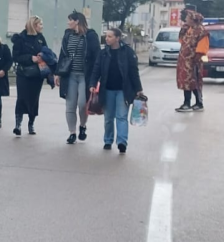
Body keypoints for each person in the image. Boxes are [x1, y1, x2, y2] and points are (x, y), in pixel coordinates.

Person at [90, 27, 144, 153]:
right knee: (108, 117)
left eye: (110, 36)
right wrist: (92, 83)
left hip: (123, 90)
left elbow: (133, 71)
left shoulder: (128, 52)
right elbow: (96, 69)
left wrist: (138, 89)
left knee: (121, 116)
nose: (107, 38)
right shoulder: (103, 53)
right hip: (107, 89)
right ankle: (108, 140)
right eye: (106, 36)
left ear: (117, 38)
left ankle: (122, 142)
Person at [57, 11, 101, 144]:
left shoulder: (91, 36)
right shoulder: (67, 35)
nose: (68, 22)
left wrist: (96, 77)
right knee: (70, 105)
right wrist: (57, 73)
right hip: (70, 75)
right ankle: (72, 133)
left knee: (82, 104)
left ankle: (82, 126)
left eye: (70, 20)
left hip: (84, 76)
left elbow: (97, 57)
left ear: (77, 21)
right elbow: (62, 54)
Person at [11, 16, 49, 136]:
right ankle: (18, 124)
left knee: (34, 99)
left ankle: (31, 123)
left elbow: (47, 52)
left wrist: (42, 56)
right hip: (24, 73)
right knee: (21, 98)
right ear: (34, 25)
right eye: (40, 24)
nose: (42, 26)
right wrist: (30, 58)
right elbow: (16, 56)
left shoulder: (41, 38)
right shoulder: (20, 38)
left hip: (37, 74)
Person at [176, 9, 207, 112]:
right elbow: (181, 41)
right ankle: (187, 102)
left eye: (187, 18)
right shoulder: (188, 29)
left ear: (193, 20)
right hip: (185, 61)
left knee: (194, 82)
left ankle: (198, 103)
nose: (185, 19)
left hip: (193, 62)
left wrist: (195, 59)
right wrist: (183, 30)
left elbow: (202, 48)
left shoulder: (201, 31)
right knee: (186, 82)